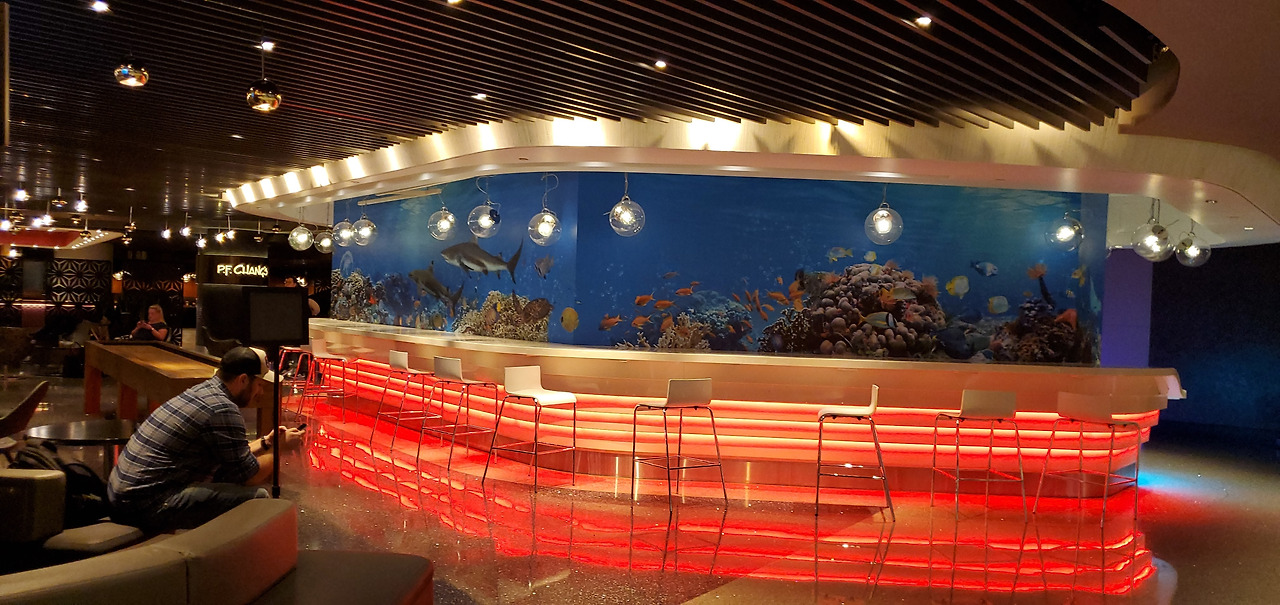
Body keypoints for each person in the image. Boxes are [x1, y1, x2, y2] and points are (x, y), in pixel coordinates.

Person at [107, 347, 305, 532]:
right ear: (243, 380)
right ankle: (222, 556)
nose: (260, 392)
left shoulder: (203, 391)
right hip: (143, 505)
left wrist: (266, 442)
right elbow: (249, 476)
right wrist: (280, 448)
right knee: (256, 497)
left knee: (223, 478)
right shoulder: (223, 409)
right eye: (259, 385)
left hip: (121, 494)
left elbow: (236, 456)